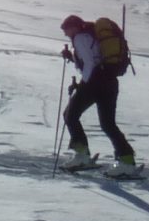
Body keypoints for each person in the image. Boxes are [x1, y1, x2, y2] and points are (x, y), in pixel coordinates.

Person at [57, 14, 134, 170]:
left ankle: (82, 156)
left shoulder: (80, 38)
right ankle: (127, 160)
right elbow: (95, 59)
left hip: (95, 84)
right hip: (109, 82)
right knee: (108, 124)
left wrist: (82, 85)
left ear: (74, 27)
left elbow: (90, 63)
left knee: (70, 115)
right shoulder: (90, 36)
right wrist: (72, 58)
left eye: (66, 30)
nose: (66, 34)